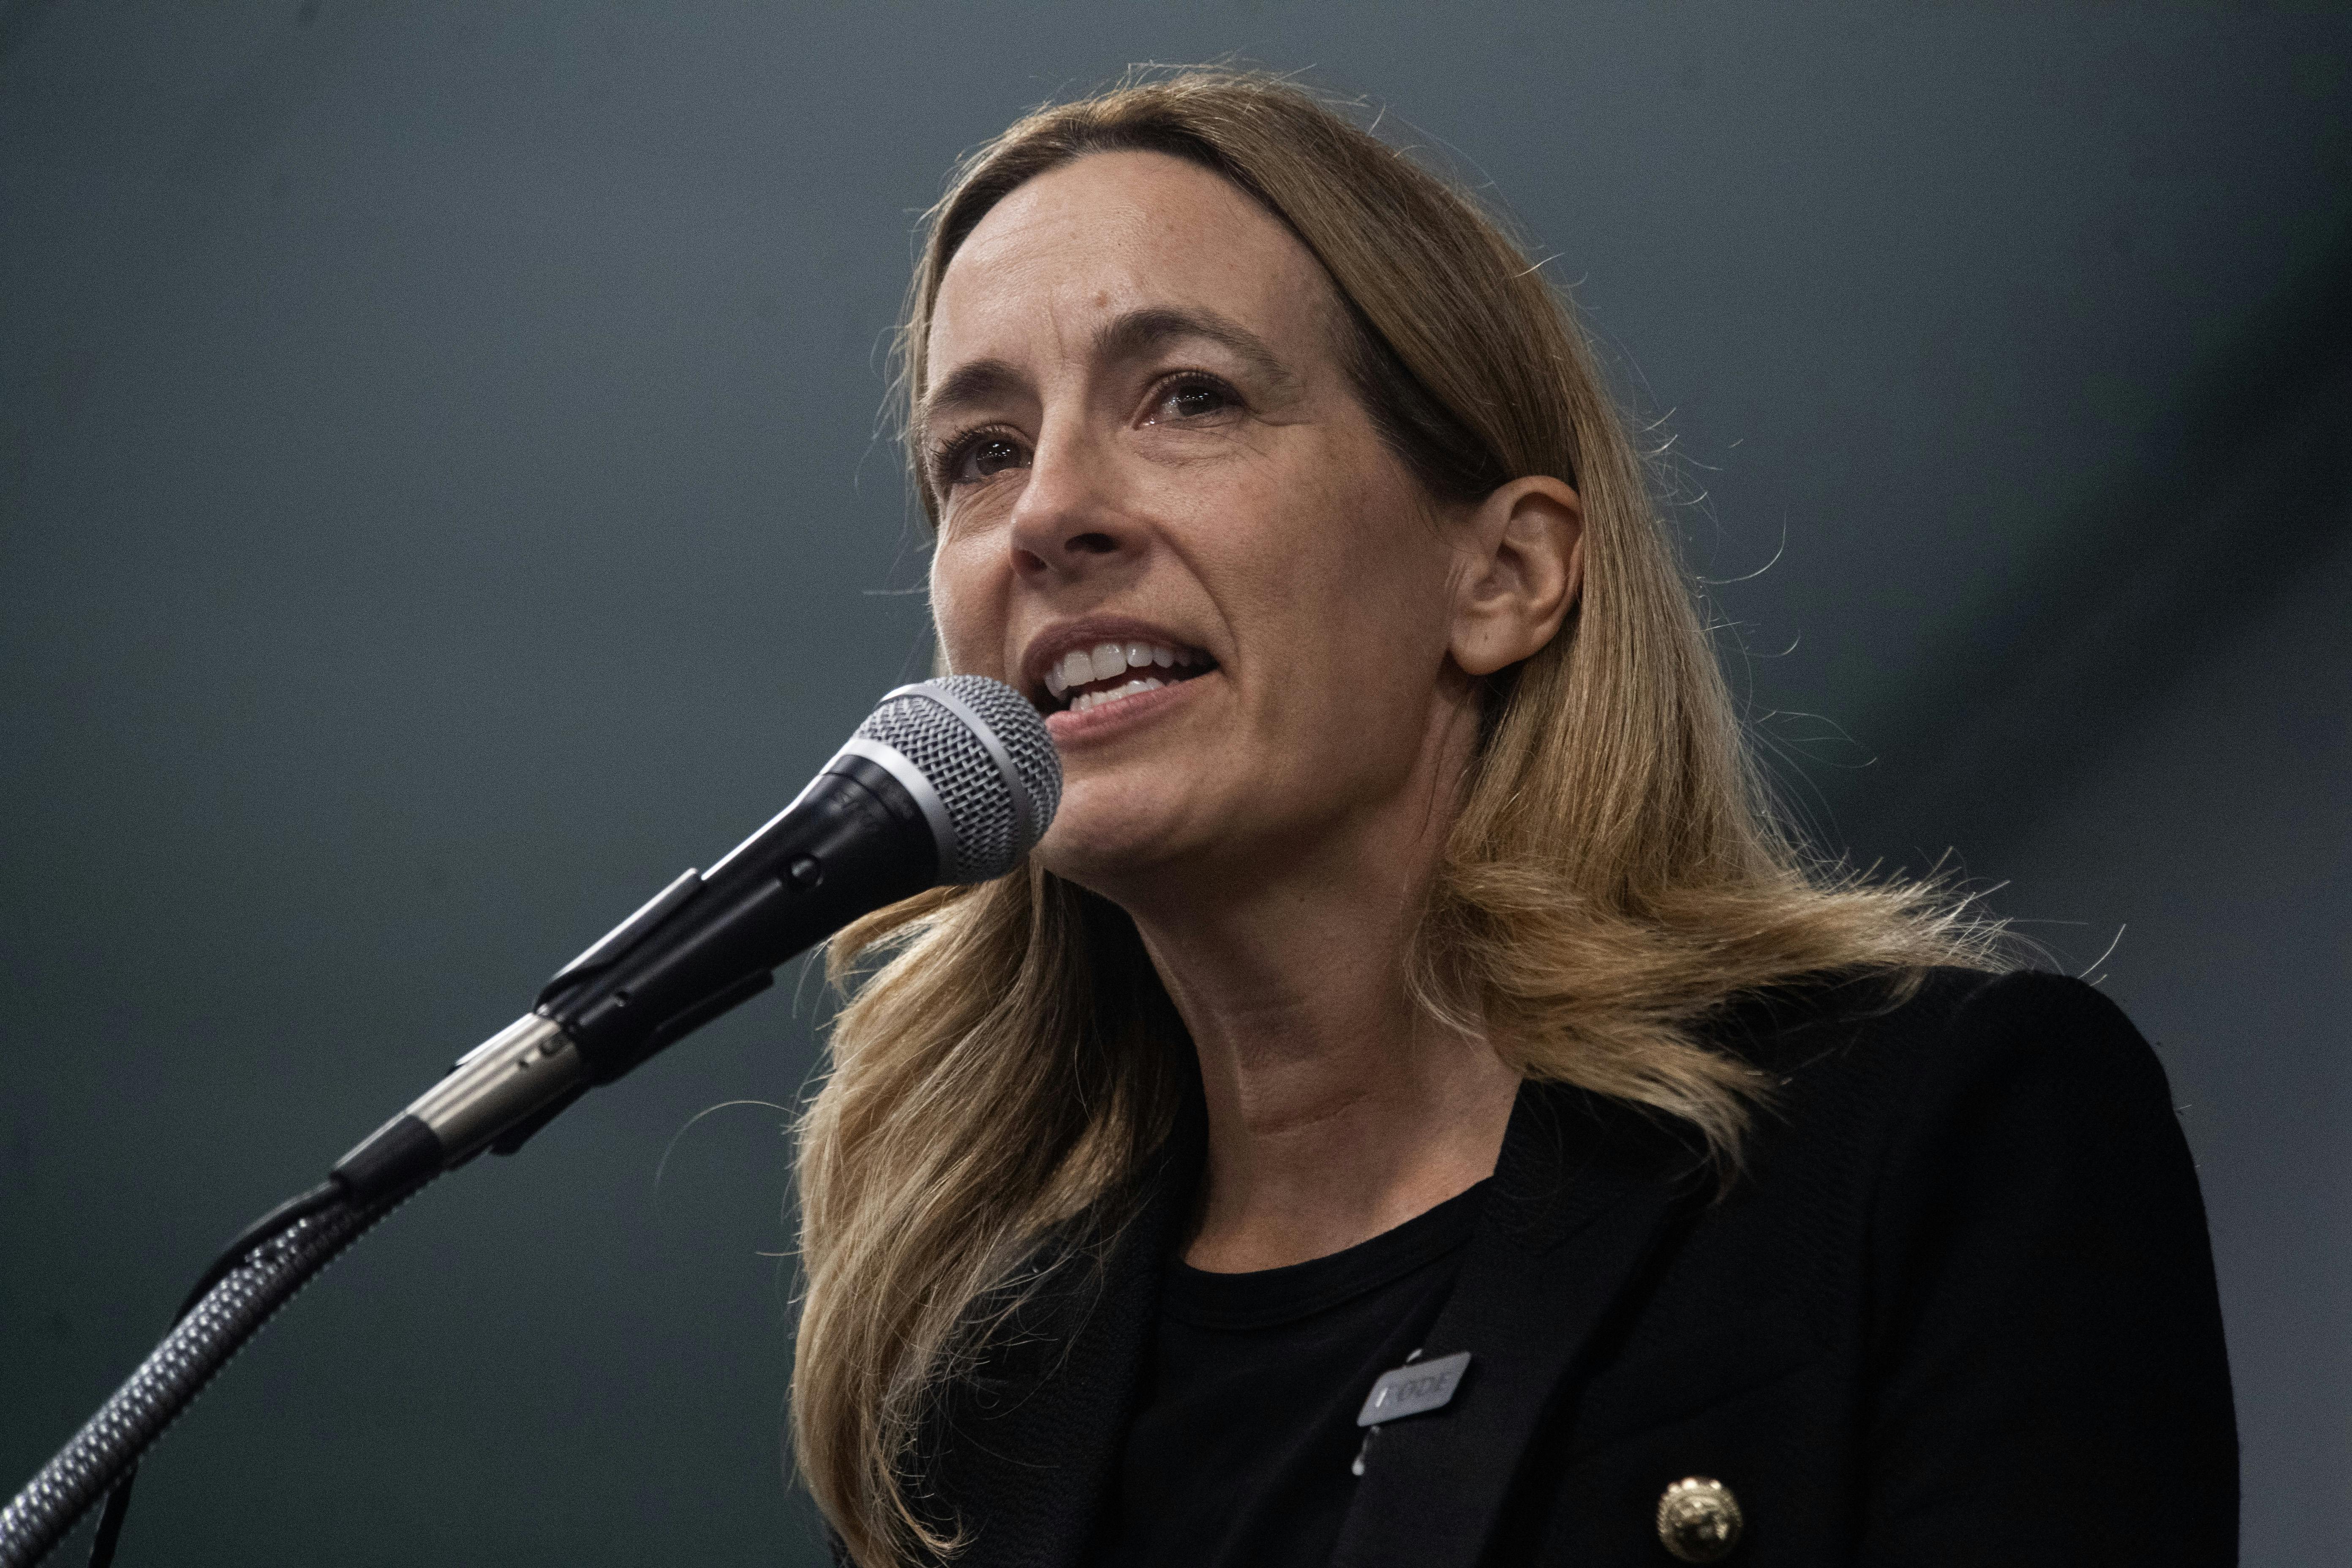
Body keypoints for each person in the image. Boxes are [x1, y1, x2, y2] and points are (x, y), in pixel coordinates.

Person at [789, 70, 2236, 1568]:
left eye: (1190, 397)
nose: (1046, 513)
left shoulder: (1933, 1144)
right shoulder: (967, 1400)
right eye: (982, 452)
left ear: (1503, 575)